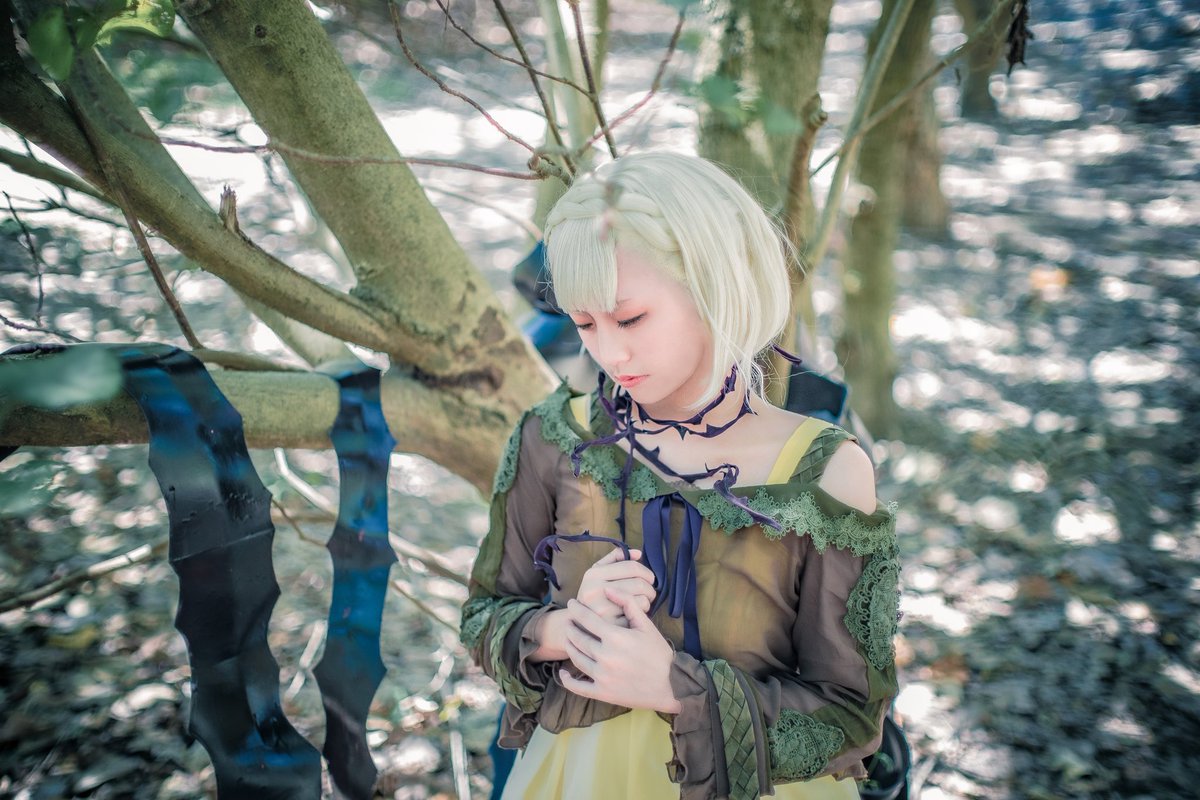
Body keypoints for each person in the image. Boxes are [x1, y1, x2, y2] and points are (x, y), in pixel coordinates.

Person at [461, 152, 900, 800]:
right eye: (584, 324)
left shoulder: (826, 473)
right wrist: (562, 630)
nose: (610, 352)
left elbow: (851, 720)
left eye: (630, 318)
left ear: (714, 288)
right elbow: (484, 616)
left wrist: (676, 687)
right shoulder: (555, 438)